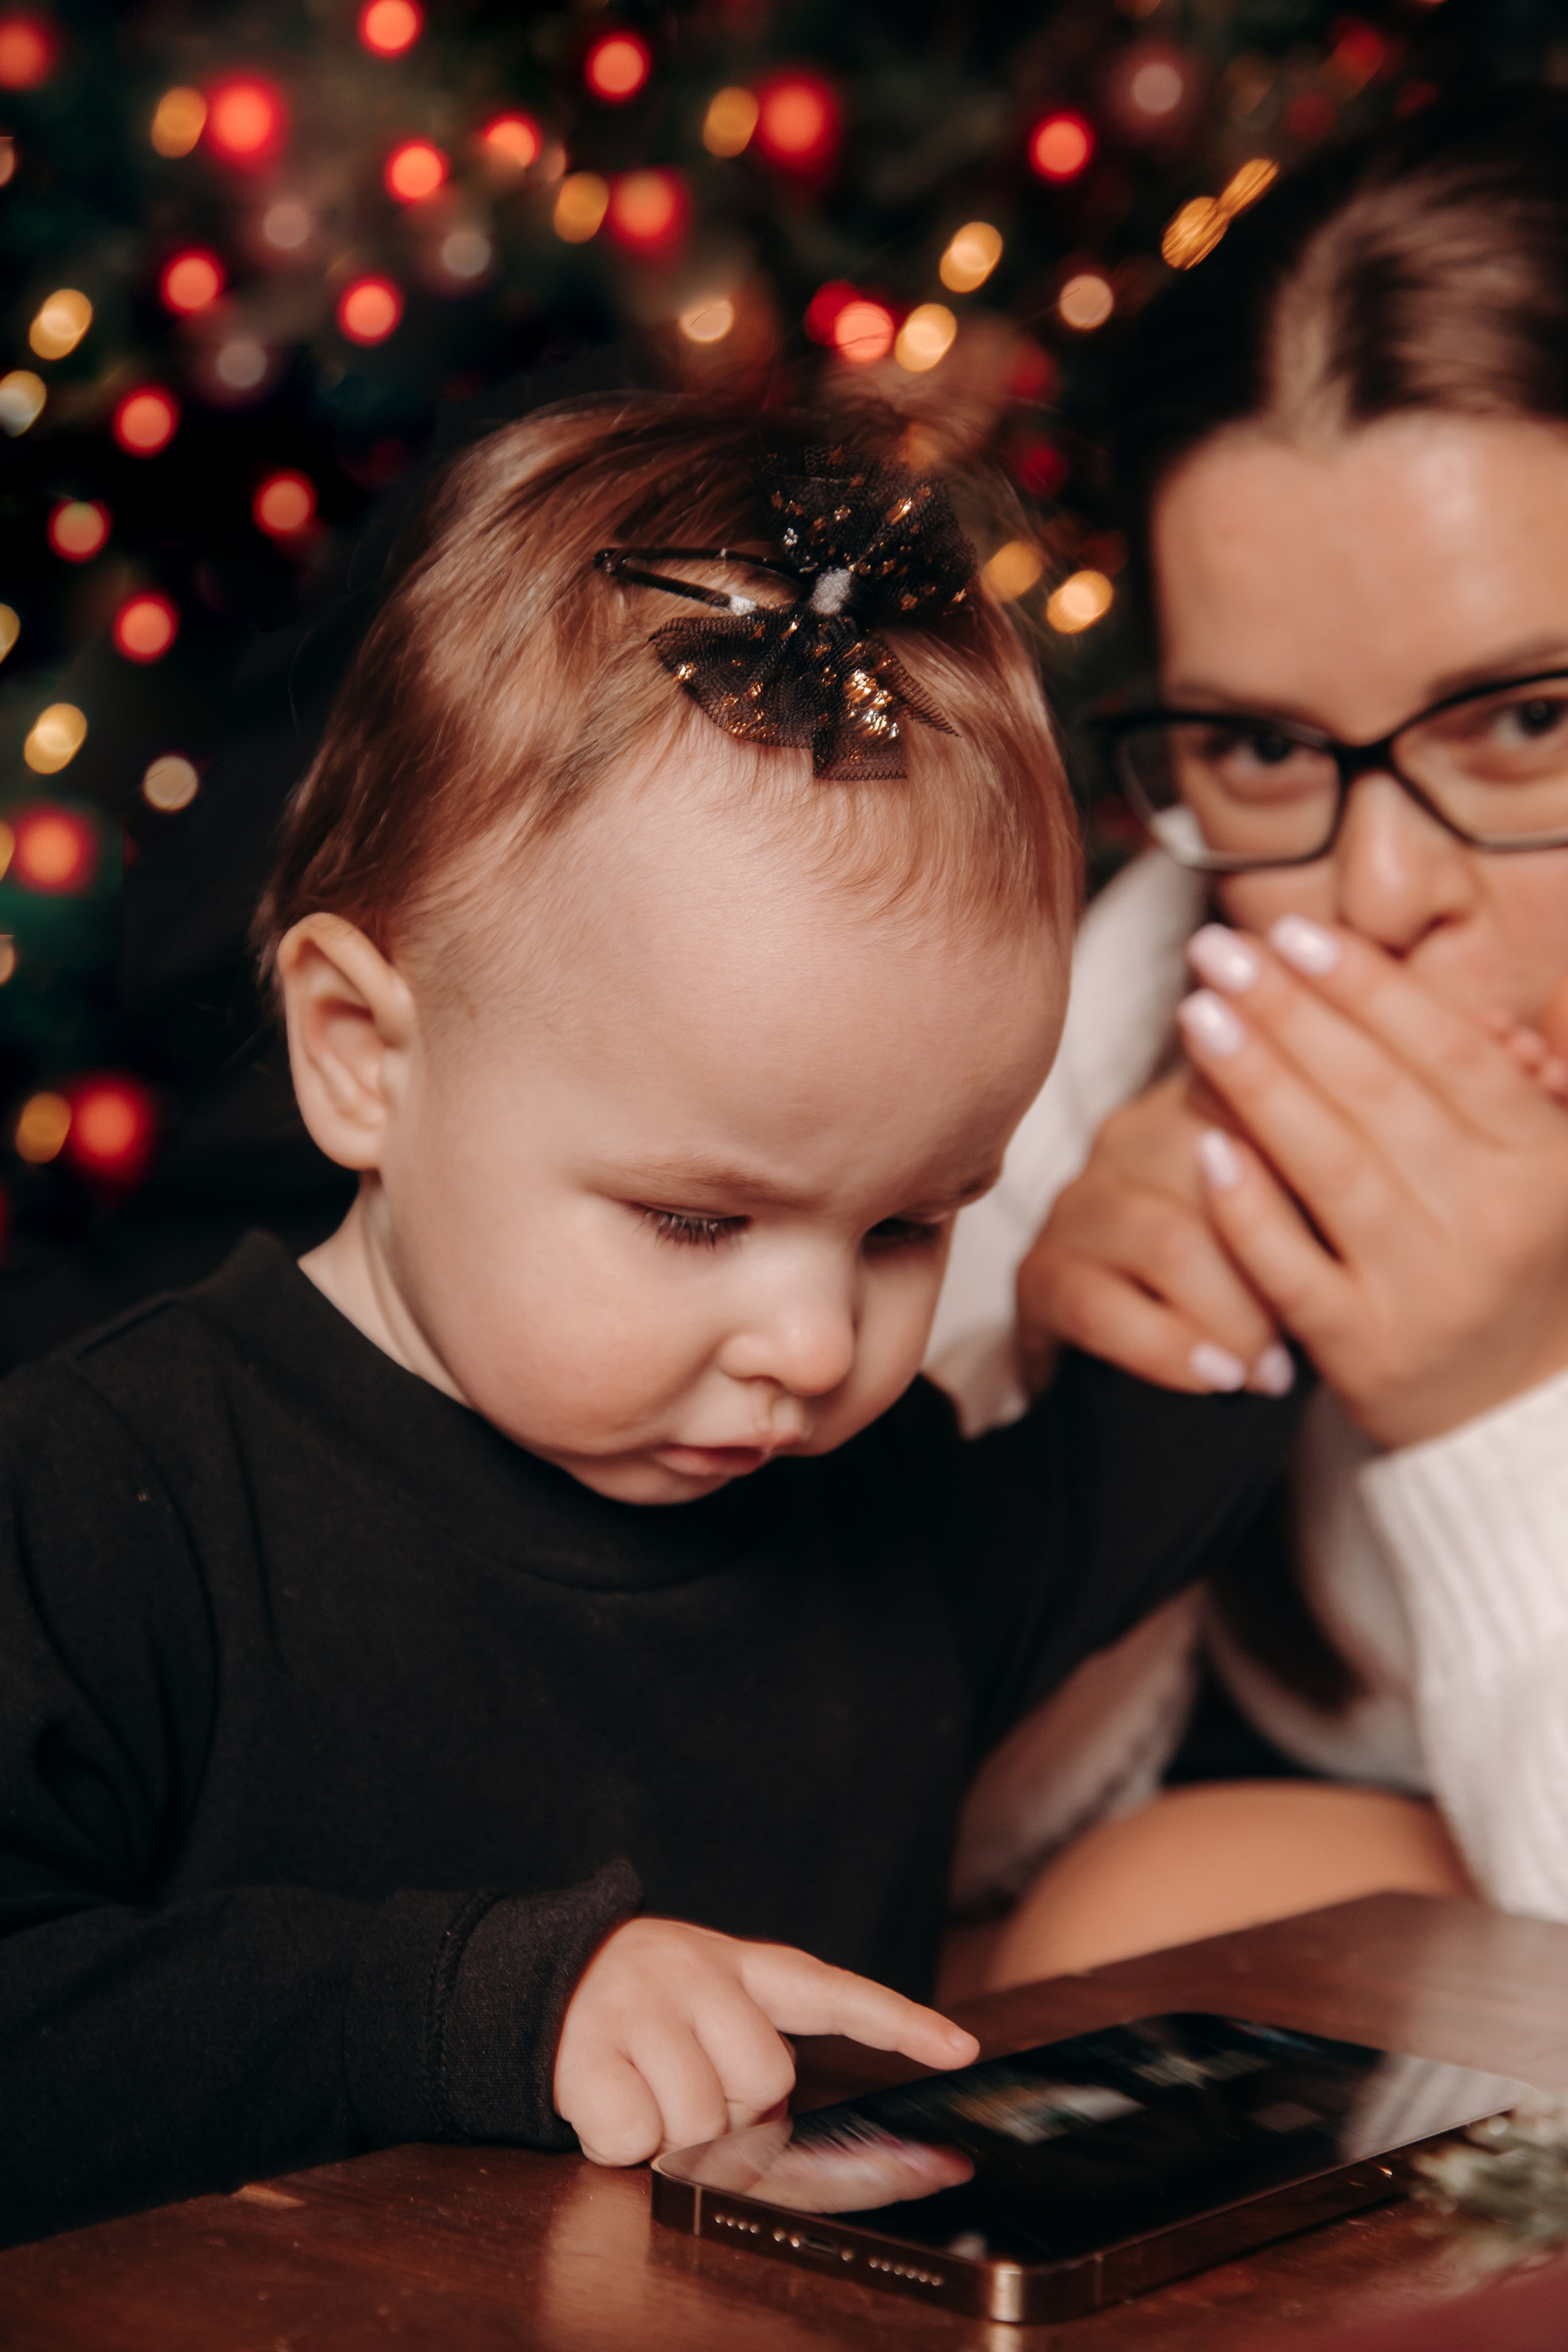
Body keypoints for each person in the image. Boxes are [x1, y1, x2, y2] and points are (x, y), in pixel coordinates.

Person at [0, 398, 1300, 2244]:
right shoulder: (110, 1504)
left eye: (913, 1225)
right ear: (362, 1057)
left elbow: (1151, 1446)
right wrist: (480, 2010)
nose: (816, 1344)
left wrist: (1286, 1161)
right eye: (700, 1218)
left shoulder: (874, 1524)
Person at [931, 93, 1568, 1983]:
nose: (1373, 894)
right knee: (1143, 1920)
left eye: (1524, 722)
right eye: (1268, 749)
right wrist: (1094, 1433)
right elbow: (878, 1857)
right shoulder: (1142, 995)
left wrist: (1496, 1406)